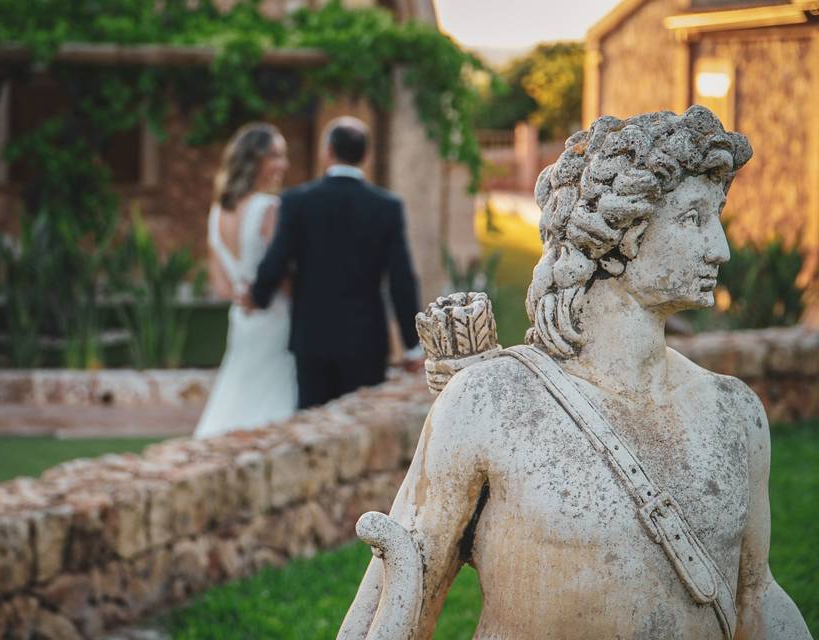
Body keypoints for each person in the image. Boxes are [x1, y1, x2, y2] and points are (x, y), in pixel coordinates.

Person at [339, 107, 812, 639]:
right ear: (619, 237)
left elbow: (755, 595)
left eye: (716, 217)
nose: (719, 248)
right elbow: (399, 605)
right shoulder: (491, 404)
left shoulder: (735, 413)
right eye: (693, 218)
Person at [246, 116, 423, 410]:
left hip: (311, 338)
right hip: (366, 342)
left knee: (313, 431)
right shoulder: (387, 207)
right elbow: (401, 280)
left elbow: (275, 262)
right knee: (362, 429)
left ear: (326, 152)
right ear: (365, 156)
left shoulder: (296, 202)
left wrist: (258, 297)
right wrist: (412, 346)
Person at [193, 123, 297, 439]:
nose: (283, 165)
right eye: (275, 156)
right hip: (277, 319)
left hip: (243, 320)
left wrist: (244, 291)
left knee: (237, 389)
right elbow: (284, 275)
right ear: (254, 161)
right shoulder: (269, 208)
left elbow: (221, 286)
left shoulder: (217, 213)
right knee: (273, 400)